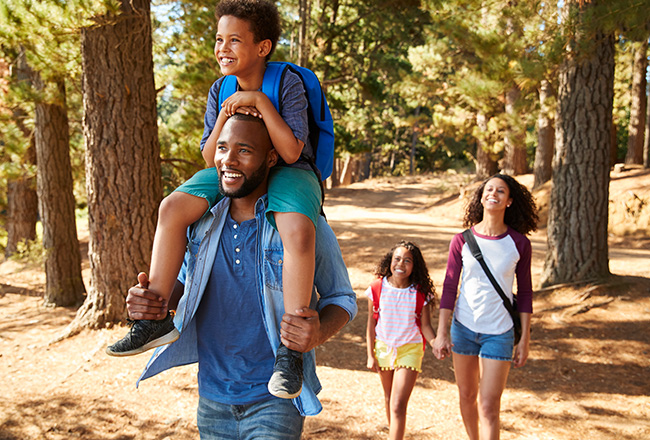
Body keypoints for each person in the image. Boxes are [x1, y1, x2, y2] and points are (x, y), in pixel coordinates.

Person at [107, 0, 322, 400]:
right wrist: (226, 113)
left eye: (234, 40)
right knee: (171, 208)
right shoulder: (220, 88)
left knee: (294, 227)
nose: (223, 48)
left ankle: (290, 350)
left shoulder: (287, 82)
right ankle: (154, 316)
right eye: (219, 39)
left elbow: (292, 151)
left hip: (290, 171)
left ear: (263, 47)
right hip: (233, 167)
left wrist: (259, 103)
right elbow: (210, 158)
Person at [126, 113, 357, 439]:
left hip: (275, 401)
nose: (228, 160)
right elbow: (183, 284)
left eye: (245, 150)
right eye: (222, 148)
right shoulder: (199, 222)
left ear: (270, 158)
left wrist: (317, 333)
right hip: (212, 397)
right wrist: (151, 303)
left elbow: (341, 298)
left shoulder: (303, 225)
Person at [432, 174, 539, 440]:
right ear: (481, 197)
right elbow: (448, 288)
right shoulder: (462, 240)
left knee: (489, 406)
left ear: (510, 201)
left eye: (501, 191)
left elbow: (525, 292)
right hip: (463, 329)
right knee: (467, 396)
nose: (494, 193)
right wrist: (442, 332)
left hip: (499, 332)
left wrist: (524, 338)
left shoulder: (519, 243)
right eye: (489, 189)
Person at [366, 241, 437, 440]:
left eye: (407, 261)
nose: (401, 264)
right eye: (397, 259)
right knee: (389, 399)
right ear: (390, 261)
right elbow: (371, 325)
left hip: (410, 349)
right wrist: (370, 355)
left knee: (398, 404)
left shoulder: (420, 293)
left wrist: (436, 343)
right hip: (384, 348)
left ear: (415, 266)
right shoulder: (377, 288)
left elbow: (425, 326)